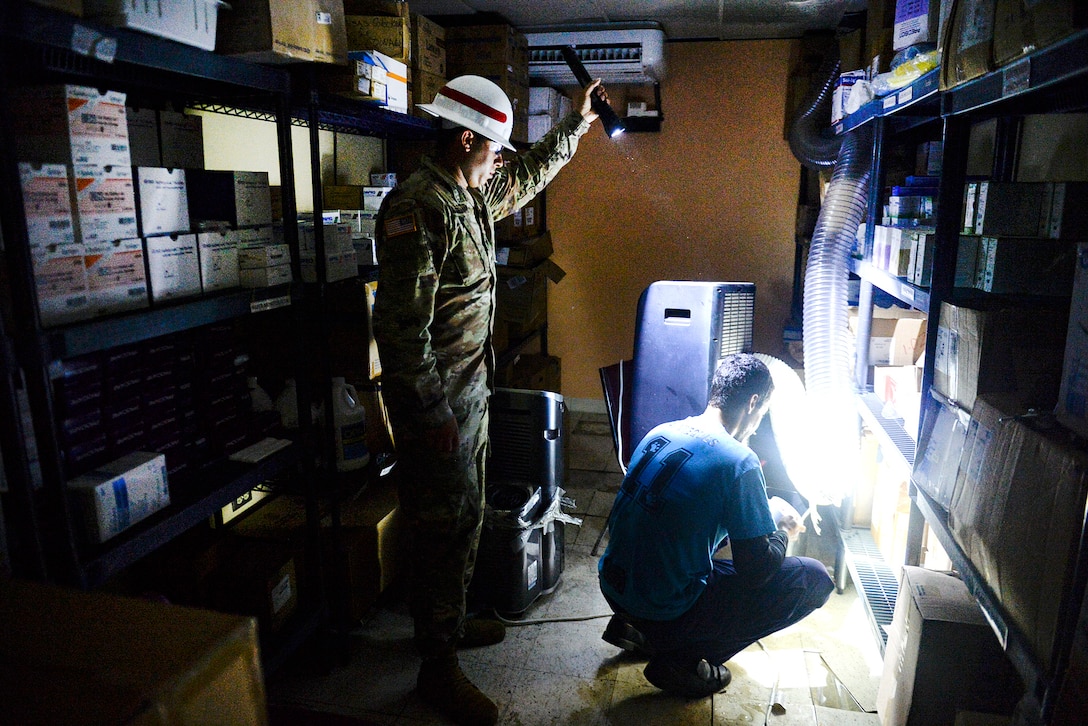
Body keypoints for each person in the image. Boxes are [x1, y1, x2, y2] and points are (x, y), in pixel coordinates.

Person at [372, 74, 608, 725]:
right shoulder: (418, 208)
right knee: (443, 529)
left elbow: (528, 173)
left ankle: (450, 622)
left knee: (466, 518)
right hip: (438, 409)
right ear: (466, 137)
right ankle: (436, 668)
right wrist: (431, 415)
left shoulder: (469, 191)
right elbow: (398, 332)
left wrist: (579, 122)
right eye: (494, 148)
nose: (502, 158)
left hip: (467, 397)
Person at [597, 353, 835, 698]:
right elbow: (757, 571)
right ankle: (682, 660)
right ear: (753, 403)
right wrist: (781, 529)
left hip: (616, 589)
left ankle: (640, 631)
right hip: (664, 607)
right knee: (813, 578)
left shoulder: (661, 432)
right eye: (762, 413)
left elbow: (687, 518)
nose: (758, 422)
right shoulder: (738, 461)